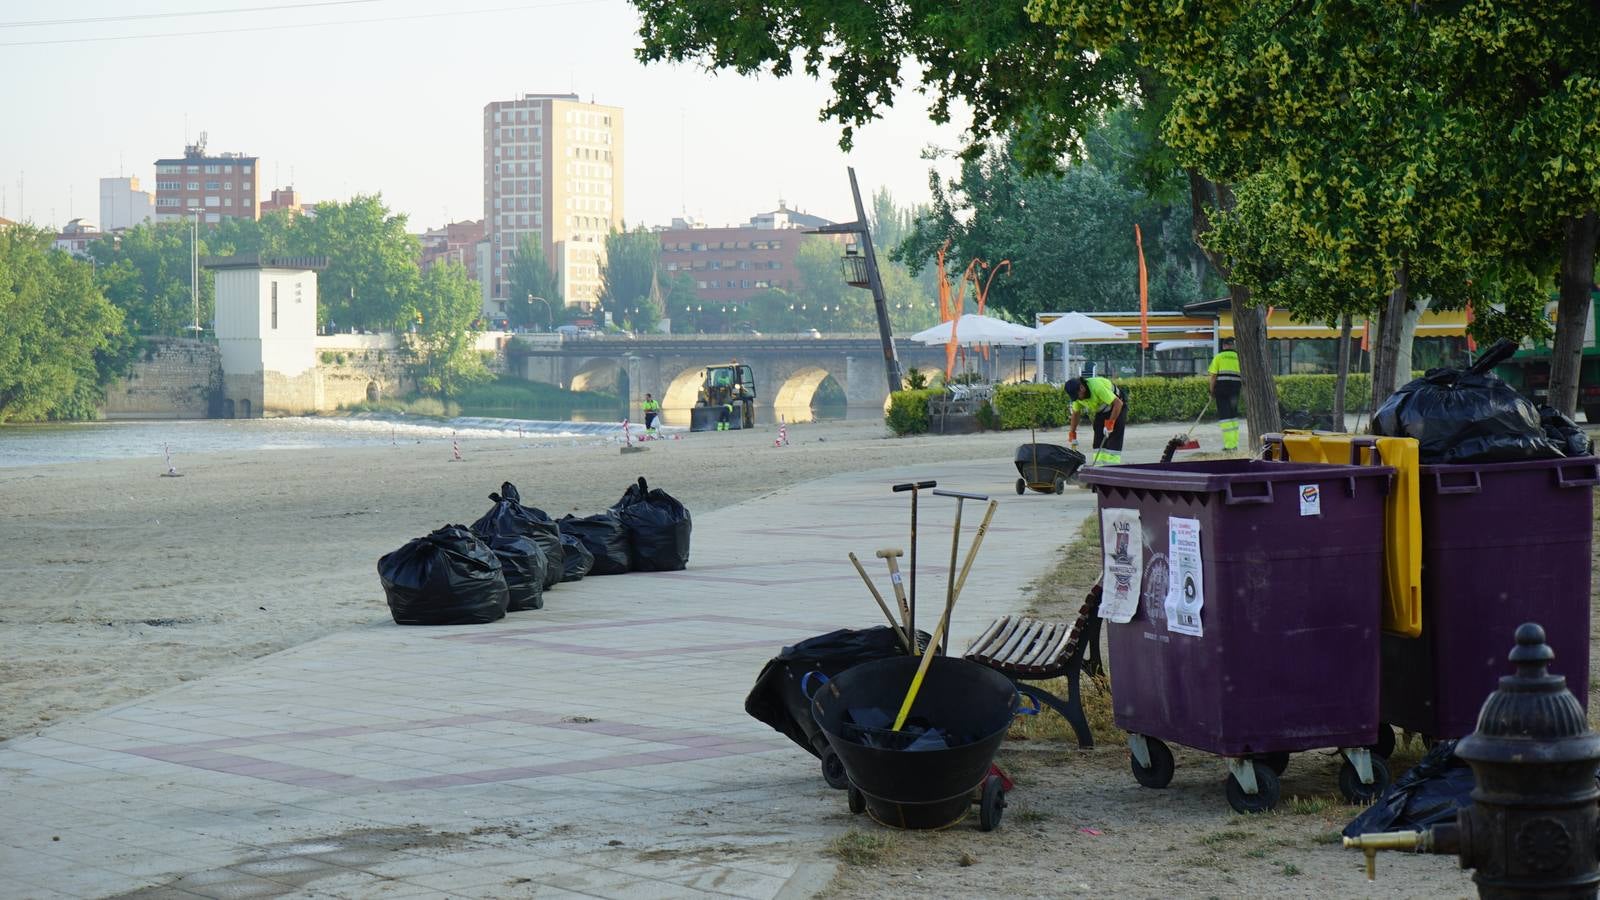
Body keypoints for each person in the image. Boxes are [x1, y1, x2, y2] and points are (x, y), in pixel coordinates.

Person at [1065, 375, 1127, 466]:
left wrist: (1110, 424)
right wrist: (1072, 433)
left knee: (1113, 435)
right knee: (1098, 433)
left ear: (1082, 388)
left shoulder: (1096, 387)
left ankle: (1112, 466)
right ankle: (1099, 466)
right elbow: (1076, 414)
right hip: (1101, 410)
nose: (1077, 399)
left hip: (1117, 406)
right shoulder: (1077, 397)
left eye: (1077, 396)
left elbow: (1118, 403)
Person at [1208, 337, 1243, 451]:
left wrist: (1211, 391)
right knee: (1233, 417)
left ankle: (1229, 446)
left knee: (1225, 419)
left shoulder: (1219, 357)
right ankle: (1234, 444)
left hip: (1221, 391)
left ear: (1223, 346)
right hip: (1235, 391)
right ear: (1233, 345)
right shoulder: (1240, 358)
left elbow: (1213, 376)